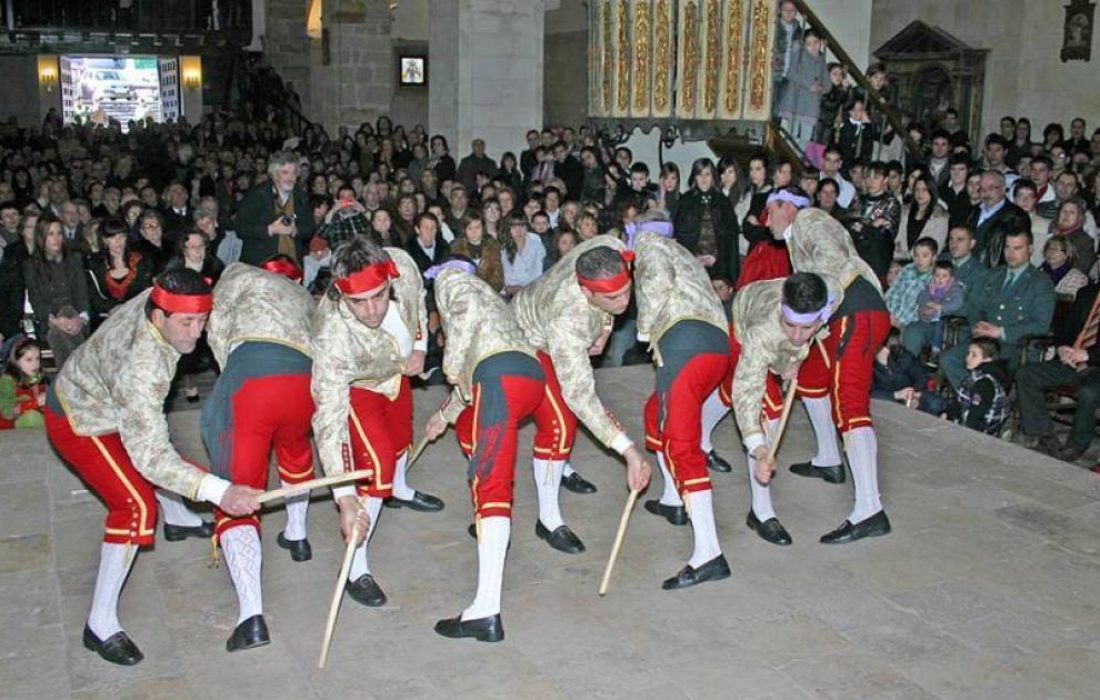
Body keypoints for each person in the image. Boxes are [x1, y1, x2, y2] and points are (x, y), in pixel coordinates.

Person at [44, 269, 260, 665]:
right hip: (79, 417)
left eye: (202, 320)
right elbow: (151, 457)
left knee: (159, 445)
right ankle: (99, 625)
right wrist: (221, 492)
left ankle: (177, 518)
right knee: (135, 505)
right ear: (159, 316)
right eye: (187, 323)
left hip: (107, 393)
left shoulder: (160, 296)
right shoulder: (142, 367)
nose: (197, 333)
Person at [200, 261, 337, 651]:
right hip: (304, 379)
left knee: (237, 486)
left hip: (253, 376)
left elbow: (217, 326)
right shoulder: (303, 295)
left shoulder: (238, 273)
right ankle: (297, 536)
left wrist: (231, 374)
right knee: (295, 448)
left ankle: (251, 617)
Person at [311, 238, 442, 610]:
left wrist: (420, 348)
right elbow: (329, 420)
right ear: (341, 293)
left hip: (397, 372)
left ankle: (398, 490)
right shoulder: (331, 336)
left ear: (389, 280)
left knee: (401, 438)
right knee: (377, 462)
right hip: (359, 384)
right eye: (358, 302)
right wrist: (344, 498)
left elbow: (418, 306)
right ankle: (356, 567)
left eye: (379, 296)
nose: (371, 310)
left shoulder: (404, 268)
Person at [422, 258, 547, 642]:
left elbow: (462, 358)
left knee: (490, 483)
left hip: (499, 380)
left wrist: (448, 370)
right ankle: (489, 522)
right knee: (469, 430)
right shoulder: (488, 293)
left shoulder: (450, 283)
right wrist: (444, 416)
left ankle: (485, 611)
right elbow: (472, 377)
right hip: (530, 377)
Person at [510, 236, 652, 554]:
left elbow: (614, 265)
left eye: (627, 291)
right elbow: (580, 394)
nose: (625, 302)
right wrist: (628, 451)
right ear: (587, 292)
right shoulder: (568, 317)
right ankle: (548, 520)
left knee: (568, 419)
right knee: (560, 423)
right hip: (527, 336)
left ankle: (560, 468)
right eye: (613, 297)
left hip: (558, 320)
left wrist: (605, 326)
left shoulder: (609, 249)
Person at [767, 195, 892, 544]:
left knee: (849, 405)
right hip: (841, 315)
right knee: (811, 378)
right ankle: (828, 459)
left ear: (787, 206)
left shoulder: (809, 219)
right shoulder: (796, 234)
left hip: (855, 311)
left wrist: (809, 316)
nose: (766, 220)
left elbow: (829, 263)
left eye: (770, 211)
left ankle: (870, 510)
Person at [627, 214, 731, 588]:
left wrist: (644, 333)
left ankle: (709, 554)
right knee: (655, 411)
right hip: (716, 344)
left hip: (684, 344)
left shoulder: (649, 244)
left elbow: (655, 281)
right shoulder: (681, 251)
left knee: (681, 444)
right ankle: (673, 500)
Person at [726, 273, 832, 546]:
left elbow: (802, 337)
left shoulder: (832, 293)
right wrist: (761, 450)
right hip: (743, 317)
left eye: (806, 327)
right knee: (767, 411)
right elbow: (747, 391)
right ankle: (761, 513)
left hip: (776, 325)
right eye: (790, 324)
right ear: (782, 312)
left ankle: (702, 439)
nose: (797, 335)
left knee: (727, 390)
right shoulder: (762, 332)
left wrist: (795, 358)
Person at [940, 230, 1055, 390]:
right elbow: (974, 306)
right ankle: (974, 397)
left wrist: (1001, 332)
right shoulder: (994, 275)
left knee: (993, 367)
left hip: (1016, 346)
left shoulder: (1040, 282)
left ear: (1030, 250)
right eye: (1007, 247)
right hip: (985, 340)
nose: (1010, 253)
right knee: (950, 359)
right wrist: (978, 325)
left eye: (1017, 248)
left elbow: (1041, 325)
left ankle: (981, 398)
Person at [1016, 283, 1100, 461]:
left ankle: (1076, 446)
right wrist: (1062, 347)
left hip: (1096, 367)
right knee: (1026, 374)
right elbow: (1064, 328)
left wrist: (1088, 355)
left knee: (1088, 392)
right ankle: (1042, 433)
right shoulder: (1087, 293)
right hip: (1072, 362)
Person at [23, 217, 90, 368]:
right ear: (42, 237)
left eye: (59, 233)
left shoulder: (74, 259)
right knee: (57, 332)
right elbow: (36, 299)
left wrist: (80, 319)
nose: (56, 238)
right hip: (51, 321)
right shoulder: (31, 265)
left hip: (76, 318)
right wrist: (56, 321)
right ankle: (79, 370)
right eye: (50, 234)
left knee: (65, 318)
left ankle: (66, 376)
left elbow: (82, 294)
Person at [235, 151, 316, 265]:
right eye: (285, 173)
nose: (290, 178)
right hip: (261, 263)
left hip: (291, 263)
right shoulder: (256, 195)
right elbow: (241, 229)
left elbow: (310, 227)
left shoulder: (301, 196)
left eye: (294, 173)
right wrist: (270, 229)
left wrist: (296, 230)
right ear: (274, 174)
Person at [672, 157, 740, 282]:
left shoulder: (723, 202)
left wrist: (715, 256)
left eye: (707, 174)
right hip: (691, 265)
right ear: (694, 177)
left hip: (719, 266)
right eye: (699, 174)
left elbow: (730, 235)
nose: (703, 178)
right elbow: (678, 235)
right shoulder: (685, 201)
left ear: (713, 177)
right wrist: (695, 257)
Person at [945, 338, 1009, 436]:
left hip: (979, 433)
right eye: (968, 353)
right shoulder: (977, 376)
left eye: (974, 355)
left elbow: (975, 419)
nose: (968, 358)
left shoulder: (984, 384)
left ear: (987, 359)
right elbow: (960, 400)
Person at [967, 170, 1030, 268]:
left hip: (995, 271)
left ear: (1003, 188)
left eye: (991, 188)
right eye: (982, 189)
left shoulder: (1017, 216)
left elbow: (1018, 253)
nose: (986, 193)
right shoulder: (973, 211)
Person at [905, 259, 964, 361]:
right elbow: (921, 297)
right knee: (912, 328)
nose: (940, 279)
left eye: (944, 276)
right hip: (927, 320)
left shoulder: (954, 289)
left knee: (939, 326)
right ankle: (908, 360)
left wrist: (940, 306)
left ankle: (936, 351)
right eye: (937, 275)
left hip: (944, 322)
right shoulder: (931, 286)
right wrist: (927, 304)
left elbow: (957, 302)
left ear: (951, 278)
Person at [885, 237, 938, 330]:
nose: (919, 259)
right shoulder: (907, 269)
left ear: (934, 257)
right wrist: (888, 313)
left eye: (924, 256)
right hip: (890, 315)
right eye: (916, 255)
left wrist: (900, 321)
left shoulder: (935, 280)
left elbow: (920, 308)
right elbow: (893, 290)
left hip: (908, 322)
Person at [0, 337, 47, 430]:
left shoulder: (37, 377)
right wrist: (35, 402)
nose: (35, 364)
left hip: (30, 419)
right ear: (17, 361)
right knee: (33, 418)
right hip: (9, 427)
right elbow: (7, 413)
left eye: (37, 358)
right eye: (29, 359)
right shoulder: (7, 381)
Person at [450, 215, 504, 292]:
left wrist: (482, 290)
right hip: (464, 292)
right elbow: (454, 278)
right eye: (470, 228)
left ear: (483, 228)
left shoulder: (493, 249)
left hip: (488, 293)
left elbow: (498, 280)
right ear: (465, 230)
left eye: (477, 227)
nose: (474, 232)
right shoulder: (456, 251)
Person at [501, 213, 546, 296]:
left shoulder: (536, 243)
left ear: (526, 227)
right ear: (508, 229)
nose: (518, 231)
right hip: (512, 293)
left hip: (534, 290)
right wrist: (511, 289)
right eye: (514, 227)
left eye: (522, 226)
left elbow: (541, 269)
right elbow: (505, 277)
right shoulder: (504, 249)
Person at [1039, 237, 1089, 301]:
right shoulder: (1038, 272)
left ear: (1066, 254)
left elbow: (1070, 301)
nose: (1051, 252)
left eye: (1056, 249)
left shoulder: (1077, 277)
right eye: (1049, 248)